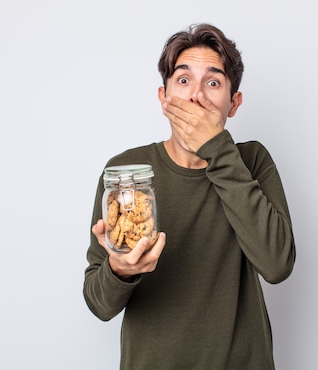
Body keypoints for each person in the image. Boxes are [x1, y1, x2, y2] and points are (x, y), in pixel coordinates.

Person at [83, 23, 296, 369]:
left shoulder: (252, 161)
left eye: (213, 83)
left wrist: (217, 150)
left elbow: (276, 265)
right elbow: (99, 303)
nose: (196, 96)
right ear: (163, 97)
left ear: (233, 103)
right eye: (183, 80)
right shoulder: (127, 173)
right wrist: (119, 271)